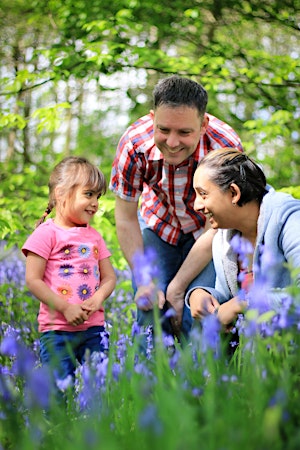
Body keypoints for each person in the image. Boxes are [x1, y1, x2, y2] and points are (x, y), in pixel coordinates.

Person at [109, 75, 243, 341]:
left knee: (201, 307)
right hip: (158, 226)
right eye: (164, 130)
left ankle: (200, 377)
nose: (172, 142)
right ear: (151, 118)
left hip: (208, 232)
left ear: (203, 124)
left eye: (184, 132)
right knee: (150, 305)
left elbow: (215, 228)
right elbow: (125, 218)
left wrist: (179, 288)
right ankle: (150, 378)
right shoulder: (134, 145)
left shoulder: (225, 148)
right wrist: (145, 278)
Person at [22, 156, 116, 382]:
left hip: (93, 329)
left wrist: (98, 299)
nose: (95, 202)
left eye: (98, 196)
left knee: (99, 389)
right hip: (57, 332)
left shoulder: (94, 236)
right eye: (88, 194)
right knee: (58, 393)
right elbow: (33, 280)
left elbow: (110, 277)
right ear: (61, 193)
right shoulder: (47, 233)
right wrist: (65, 308)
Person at [187, 148, 300, 328]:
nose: (196, 205)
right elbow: (228, 298)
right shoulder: (223, 238)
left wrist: (244, 304)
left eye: (203, 194)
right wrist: (200, 294)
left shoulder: (289, 219)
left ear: (234, 193)